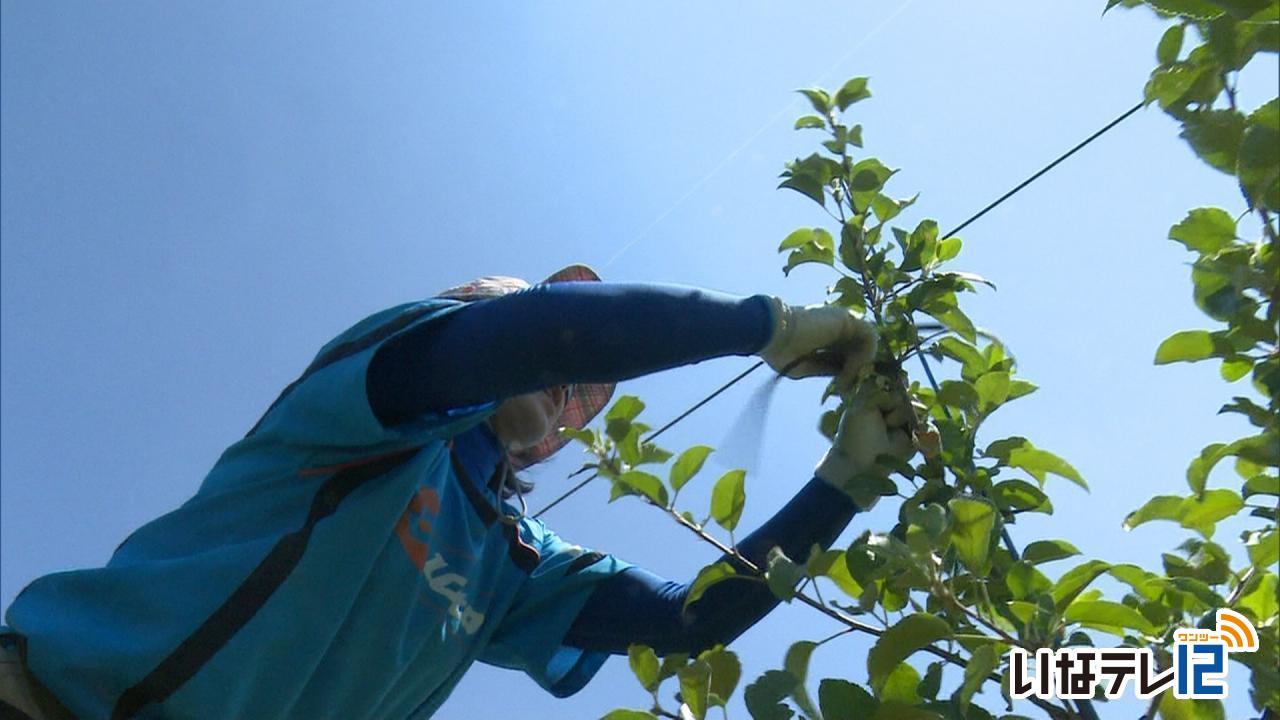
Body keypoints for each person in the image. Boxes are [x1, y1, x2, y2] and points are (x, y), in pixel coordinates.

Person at [0, 264, 916, 720]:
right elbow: (543, 336)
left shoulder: (515, 566)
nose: (578, 386)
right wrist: (767, 324)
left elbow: (691, 623)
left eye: (592, 394)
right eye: (518, 305)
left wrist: (842, 483)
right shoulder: (364, 405)